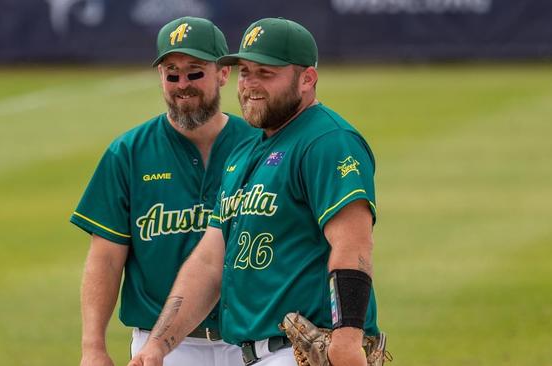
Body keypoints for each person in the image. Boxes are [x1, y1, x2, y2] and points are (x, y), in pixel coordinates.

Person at [128, 17, 389, 366]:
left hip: (303, 353)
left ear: (307, 79)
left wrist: (346, 339)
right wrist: (158, 345)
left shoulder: (328, 142)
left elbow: (353, 244)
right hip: (250, 355)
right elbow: (208, 262)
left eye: (265, 74)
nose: (250, 84)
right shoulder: (245, 152)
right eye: (245, 72)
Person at [70, 17, 255, 366]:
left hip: (250, 340)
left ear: (223, 74)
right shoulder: (128, 153)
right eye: (172, 73)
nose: (183, 84)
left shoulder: (258, 146)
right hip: (164, 349)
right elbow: (106, 257)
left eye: (195, 72)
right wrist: (92, 346)